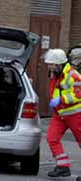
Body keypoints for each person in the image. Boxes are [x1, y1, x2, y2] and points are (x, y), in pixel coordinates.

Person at [42, 49, 81, 178]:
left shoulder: (73, 75)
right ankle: (62, 166)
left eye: (52, 64)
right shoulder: (55, 74)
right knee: (52, 138)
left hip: (75, 114)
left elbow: (78, 95)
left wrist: (61, 99)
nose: (49, 66)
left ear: (59, 64)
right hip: (60, 114)